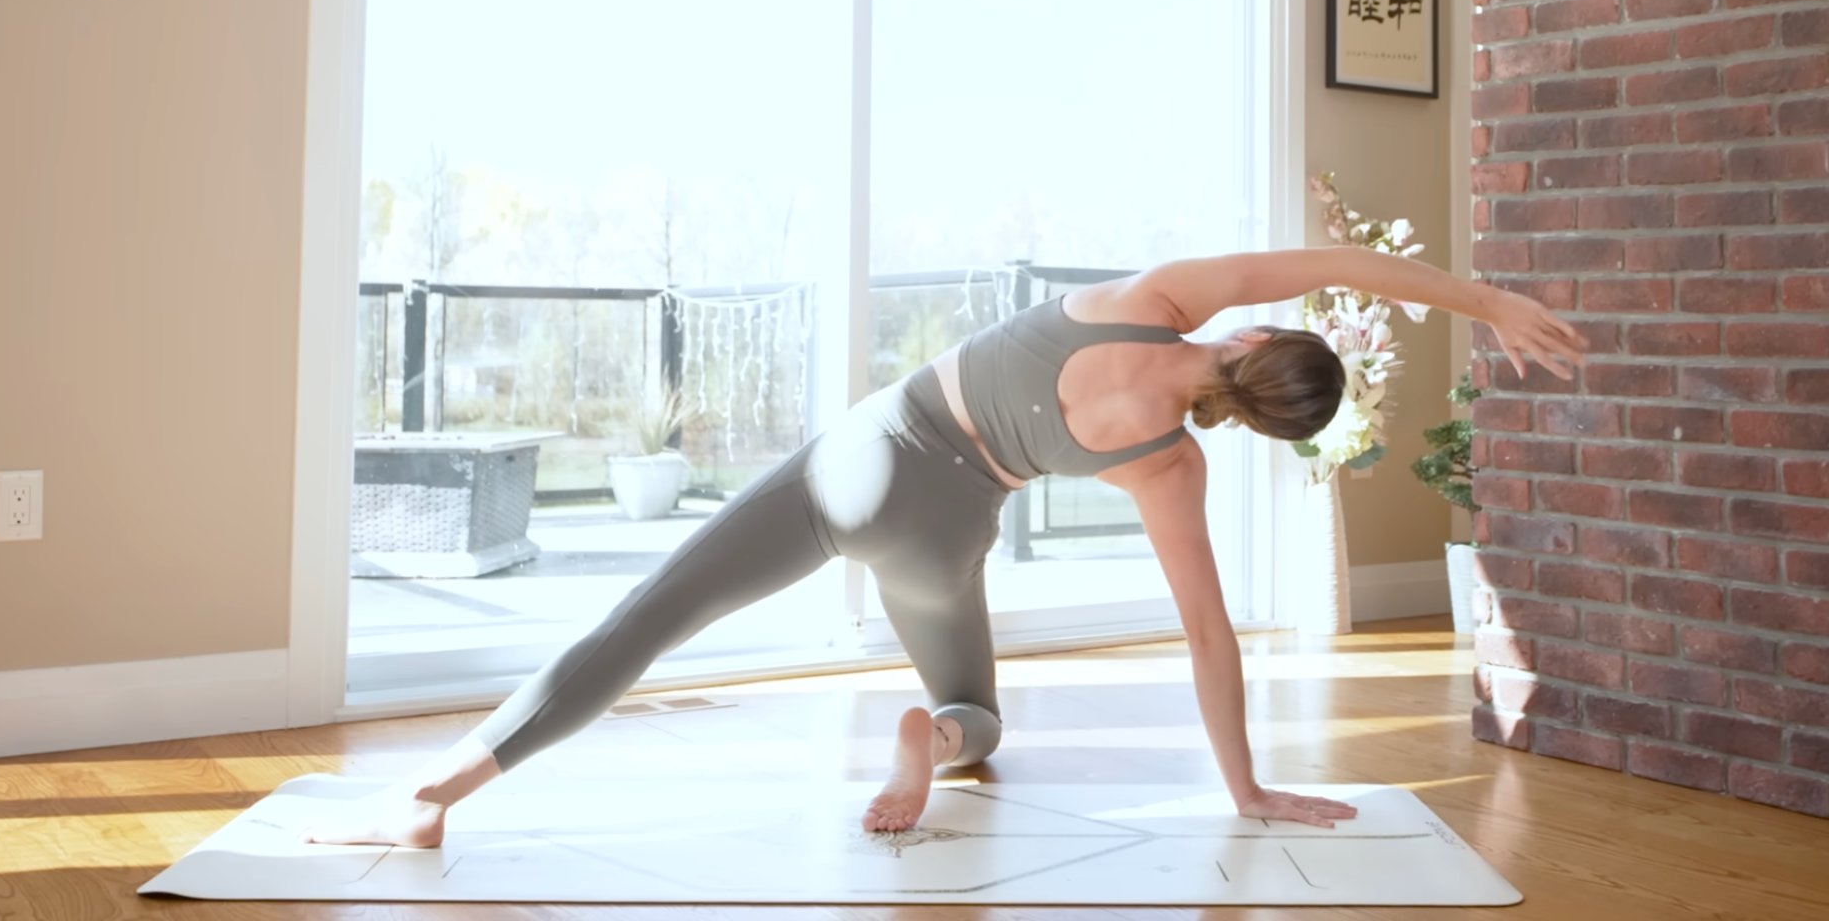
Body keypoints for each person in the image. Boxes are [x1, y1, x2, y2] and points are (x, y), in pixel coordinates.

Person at [303, 245, 1587, 847]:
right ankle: (937, 732)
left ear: (1254, 344)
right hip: (947, 526)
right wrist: (1245, 789)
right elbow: (1208, 634)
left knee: (647, 619)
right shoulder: (1171, 464)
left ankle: (441, 793)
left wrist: (1485, 300)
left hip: (862, 457)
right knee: (975, 705)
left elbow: (1338, 258)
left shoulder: (1157, 301)